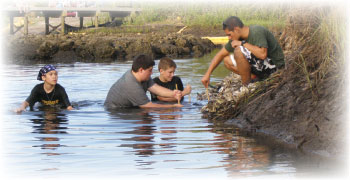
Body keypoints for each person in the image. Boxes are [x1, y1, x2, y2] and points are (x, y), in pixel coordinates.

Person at [201, 16, 285, 87]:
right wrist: (208, 74)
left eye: (229, 34)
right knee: (227, 60)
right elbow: (220, 54)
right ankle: (254, 78)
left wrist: (242, 43)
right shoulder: (236, 38)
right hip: (261, 67)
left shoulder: (256, 31)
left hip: (275, 67)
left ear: (236, 29)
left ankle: (246, 86)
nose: (229, 38)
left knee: (238, 51)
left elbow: (263, 54)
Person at [104, 54, 183, 109]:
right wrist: (173, 107)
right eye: (150, 70)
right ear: (141, 70)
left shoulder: (143, 77)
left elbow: (155, 88)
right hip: (117, 111)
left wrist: (173, 93)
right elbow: (148, 106)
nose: (152, 73)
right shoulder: (131, 85)